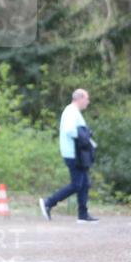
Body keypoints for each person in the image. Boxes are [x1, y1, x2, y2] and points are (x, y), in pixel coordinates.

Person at [39, 89, 98, 223]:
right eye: (87, 99)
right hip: (73, 154)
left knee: (84, 184)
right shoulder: (71, 111)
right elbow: (70, 130)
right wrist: (86, 138)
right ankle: (49, 202)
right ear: (80, 98)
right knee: (77, 184)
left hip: (76, 154)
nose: (88, 102)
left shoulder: (73, 112)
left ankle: (83, 215)